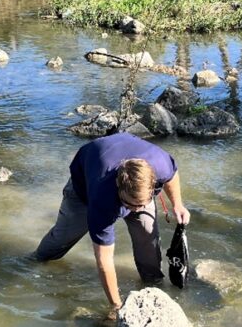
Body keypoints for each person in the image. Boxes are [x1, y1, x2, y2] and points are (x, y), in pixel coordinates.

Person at [35, 133, 190, 310]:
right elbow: (104, 260)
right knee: (62, 238)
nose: (136, 211)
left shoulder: (159, 164)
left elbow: (172, 174)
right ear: (118, 187)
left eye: (141, 205)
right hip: (83, 189)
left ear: (153, 184)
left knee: (148, 238)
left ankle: (153, 283)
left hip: (133, 181)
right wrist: (116, 306)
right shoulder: (102, 199)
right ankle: (35, 261)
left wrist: (177, 204)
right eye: (130, 205)